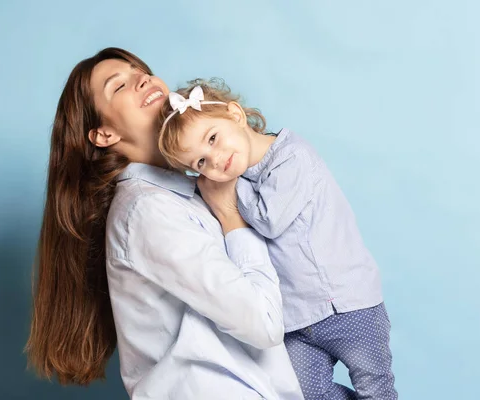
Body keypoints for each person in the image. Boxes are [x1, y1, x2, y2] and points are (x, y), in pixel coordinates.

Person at [25, 48, 304, 400]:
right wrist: (233, 219)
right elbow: (263, 324)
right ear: (104, 135)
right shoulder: (147, 212)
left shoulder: (189, 191)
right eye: (119, 86)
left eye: (139, 70)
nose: (141, 78)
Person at [158, 79, 398, 399]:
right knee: (302, 393)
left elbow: (269, 220)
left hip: (348, 304)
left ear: (235, 115)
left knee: (376, 389)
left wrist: (225, 192)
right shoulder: (239, 175)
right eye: (201, 163)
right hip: (296, 321)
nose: (216, 161)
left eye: (213, 138)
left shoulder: (291, 156)